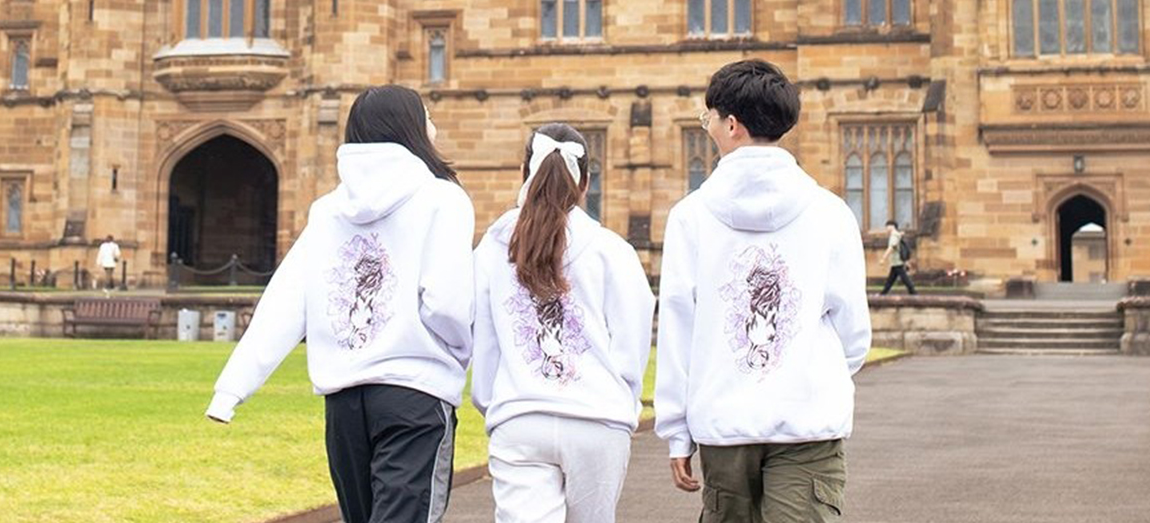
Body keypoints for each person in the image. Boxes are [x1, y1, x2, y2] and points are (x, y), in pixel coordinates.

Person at [204, 85, 475, 523]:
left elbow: (286, 300)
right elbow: (447, 302)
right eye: (427, 116)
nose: (435, 127)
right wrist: (456, 354)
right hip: (415, 393)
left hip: (345, 404)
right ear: (409, 127)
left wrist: (231, 390)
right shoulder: (443, 198)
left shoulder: (327, 210)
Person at [654, 59, 872, 522]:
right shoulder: (831, 213)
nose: (707, 126)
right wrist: (804, 374)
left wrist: (677, 430)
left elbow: (678, 328)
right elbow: (853, 332)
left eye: (707, 117)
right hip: (807, 421)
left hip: (724, 424)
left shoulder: (689, 217)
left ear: (731, 125)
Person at [471, 124, 655, 523]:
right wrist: (619, 401)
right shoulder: (613, 252)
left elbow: (484, 343)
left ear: (524, 175)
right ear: (586, 181)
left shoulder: (492, 248)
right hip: (597, 422)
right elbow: (632, 342)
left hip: (520, 421)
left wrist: (496, 402)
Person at [879, 219, 916, 295]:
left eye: (887, 226)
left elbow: (891, 248)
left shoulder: (894, 235)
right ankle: (883, 293)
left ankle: (913, 292)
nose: (886, 228)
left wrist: (883, 258)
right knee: (891, 279)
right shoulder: (897, 235)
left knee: (904, 279)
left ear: (892, 226)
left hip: (897, 261)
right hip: (896, 262)